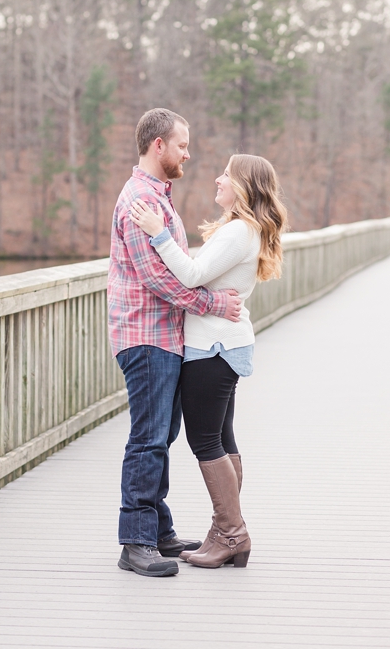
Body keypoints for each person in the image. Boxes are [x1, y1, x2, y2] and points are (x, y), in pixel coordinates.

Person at [128, 153, 288, 569]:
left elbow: (192, 275)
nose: (218, 179)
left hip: (211, 348)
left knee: (205, 441)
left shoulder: (239, 231)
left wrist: (159, 233)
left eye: (226, 175)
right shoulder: (244, 230)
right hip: (224, 345)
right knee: (223, 438)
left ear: (244, 187)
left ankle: (232, 534)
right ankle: (226, 532)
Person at [109, 108, 243, 577]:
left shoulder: (156, 199)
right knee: (148, 439)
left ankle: (159, 532)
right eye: (183, 145)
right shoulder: (138, 203)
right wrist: (212, 304)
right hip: (146, 336)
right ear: (158, 145)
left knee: (160, 437)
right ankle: (136, 542)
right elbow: (156, 279)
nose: (189, 153)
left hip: (165, 337)